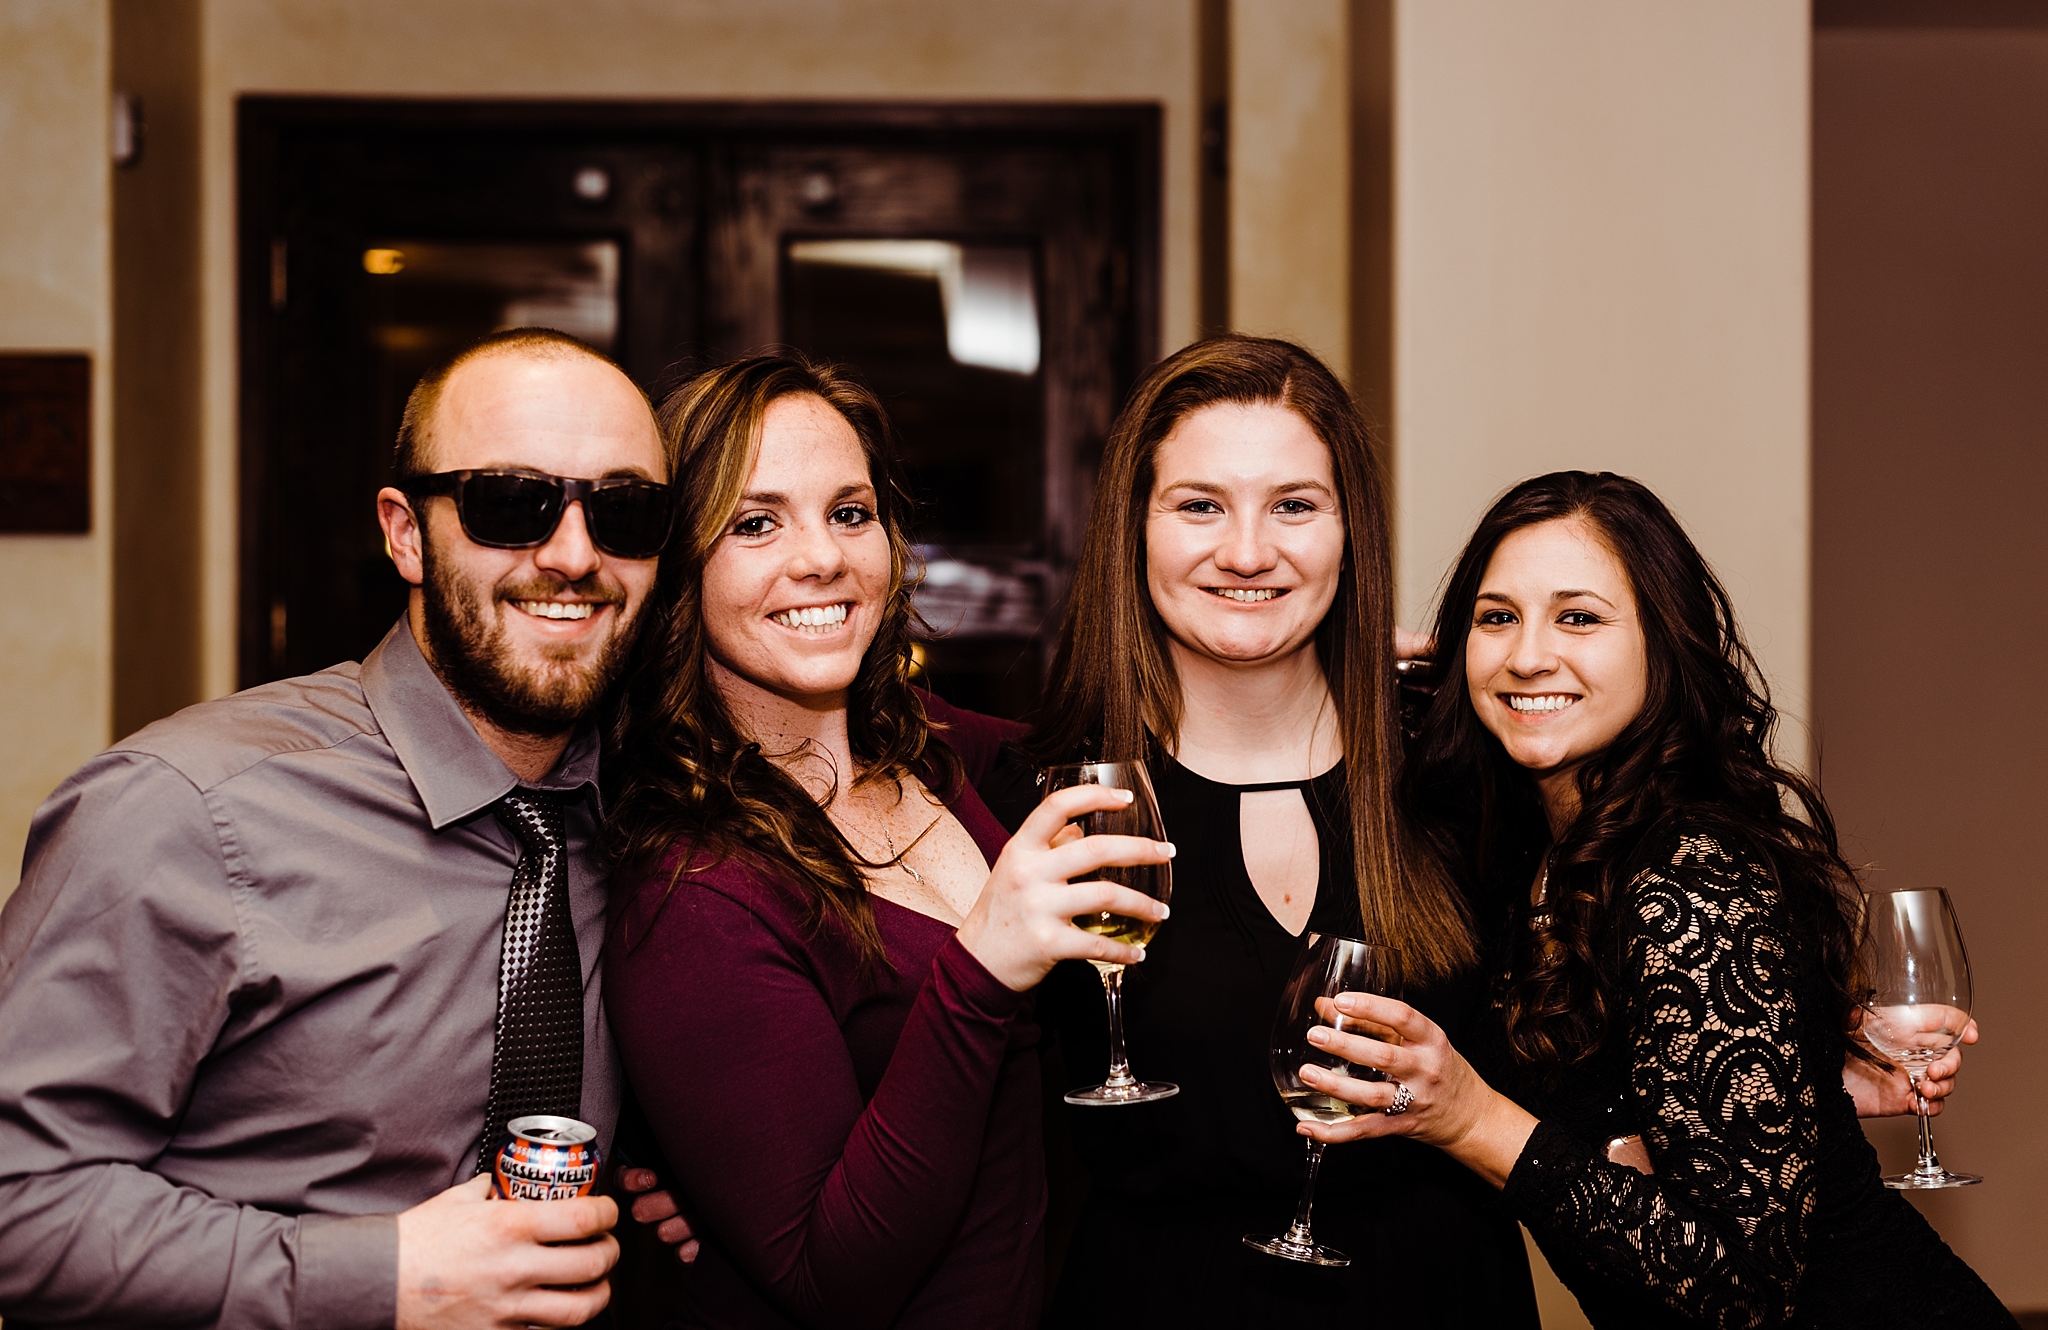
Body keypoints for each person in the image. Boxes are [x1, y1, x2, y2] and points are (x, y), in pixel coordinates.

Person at [0, 328, 669, 1328]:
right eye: (509, 503)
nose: (573, 555)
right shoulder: (183, 807)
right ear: (405, 531)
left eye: (624, 512)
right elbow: (16, 1199)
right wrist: (381, 1272)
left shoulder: (652, 823)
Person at [1299, 471, 2013, 1327]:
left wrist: (1468, 1117)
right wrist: (1805, 1074)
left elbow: (1741, 1286)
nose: (1528, 654)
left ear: (1662, 642)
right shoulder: (1537, 845)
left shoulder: (1688, 868)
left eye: (1579, 617)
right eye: (1498, 617)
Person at [974, 335, 1542, 1326]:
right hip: (1158, 1300)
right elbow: (933, 1042)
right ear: (1132, 529)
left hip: (1437, 1293)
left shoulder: (1462, 760)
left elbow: (1584, 1013)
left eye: (1293, 504)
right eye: (1199, 504)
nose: (1246, 551)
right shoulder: (1040, 796)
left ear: (1347, 528)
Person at [600, 351, 1174, 1328]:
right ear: (676, 562)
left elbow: (1145, 743)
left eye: (849, 511)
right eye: (755, 521)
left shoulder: (931, 746)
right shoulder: (691, 886)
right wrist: (981, 967)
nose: (820, 555)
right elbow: (830, 1276)